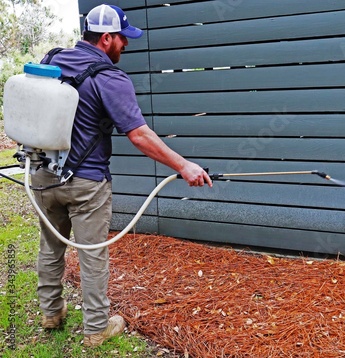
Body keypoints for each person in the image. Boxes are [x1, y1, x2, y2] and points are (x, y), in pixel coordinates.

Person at [31, 4, 212, 347]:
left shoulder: (53, 58)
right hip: (86, 183)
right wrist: (184, 166)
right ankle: (97, 328)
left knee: (50, 246)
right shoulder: (109, 77)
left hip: (43, 176)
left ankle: (51, 312)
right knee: (92, 252)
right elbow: (139, 135)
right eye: (122, 39)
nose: (125, 46)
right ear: (107, 38)